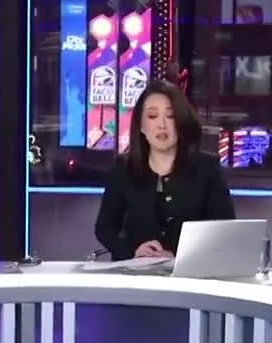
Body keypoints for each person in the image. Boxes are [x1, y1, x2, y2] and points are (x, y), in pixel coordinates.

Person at [93, 82, 234, 261]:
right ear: (141, 125)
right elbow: (105, 229)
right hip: (135, 272)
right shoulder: (123, 169)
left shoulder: (207, 169)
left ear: (181, 122)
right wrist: (133, 251)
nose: (162, 124)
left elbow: (225, 230)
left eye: (170, 116)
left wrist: (179, 257)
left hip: (189, 273)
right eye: (152, 116)